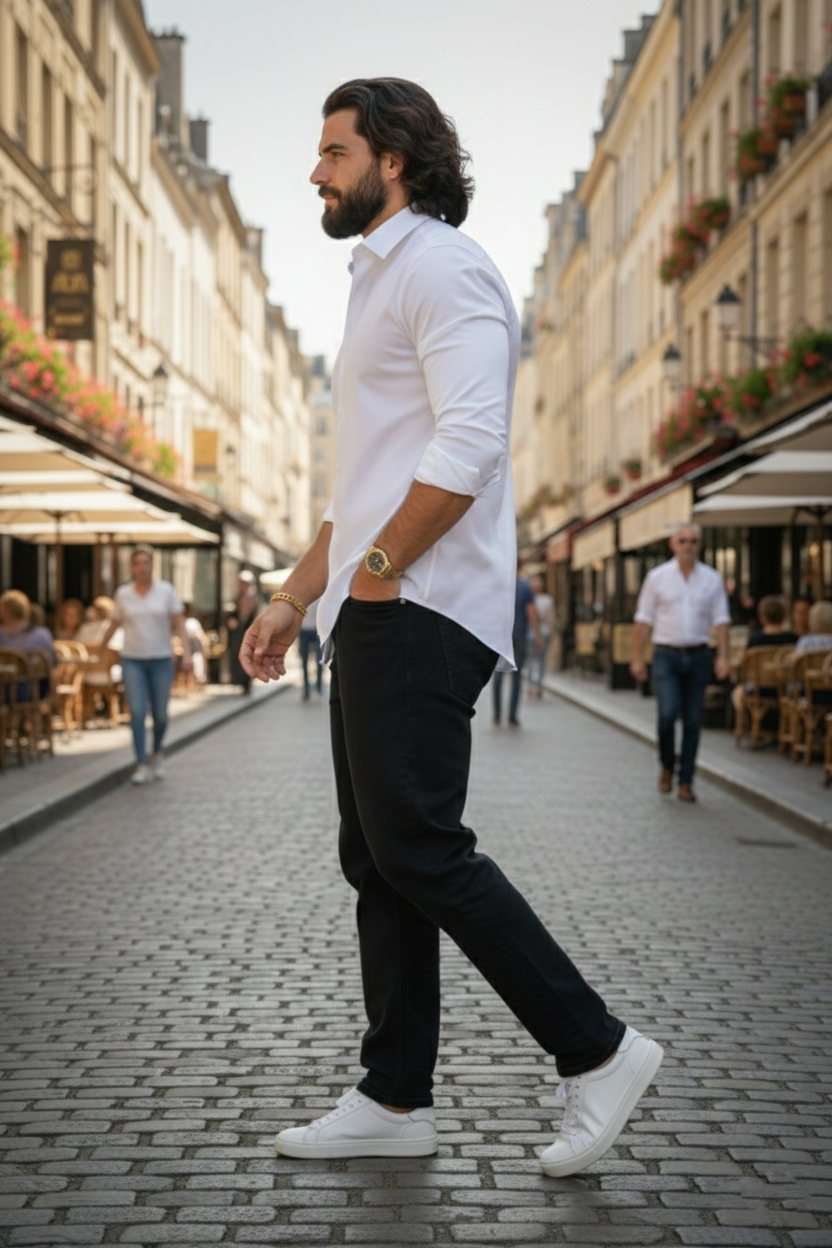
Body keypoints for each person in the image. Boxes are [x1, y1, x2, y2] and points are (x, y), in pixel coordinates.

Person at [240, 77, 663, 1178]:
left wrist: (378, 575)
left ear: (397, 158)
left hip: (420, 606)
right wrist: (295, 595)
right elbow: (363, 481)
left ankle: (598, 1050)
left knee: (418, 846)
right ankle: (394, 1098)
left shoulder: (442, 266)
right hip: (377, 602)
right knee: (378, 857)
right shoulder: (377, 280)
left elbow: (469, 444)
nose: (316, 170)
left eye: (334, 151)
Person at [630, 523, 731, 802]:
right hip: (666, 656)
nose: (688, 546)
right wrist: (637, 657)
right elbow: (643, 620)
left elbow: (722, 621)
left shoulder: (711, 579)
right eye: (683, 541)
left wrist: (724, 656)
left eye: (693, 541)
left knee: (693, 720)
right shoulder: (657, 577)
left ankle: (686, 781)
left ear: (700, 545)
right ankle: (666, 765)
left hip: (699, 655)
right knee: (667, 715)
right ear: (673, 544)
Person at [99, 546, 191, 784]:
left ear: (152, 565)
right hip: (132, 660)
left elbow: (179, 624)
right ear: (132, 567)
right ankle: (140, 762)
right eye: (137, 563)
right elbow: (113, 624)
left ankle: (157, 752)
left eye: (146, 563)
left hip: (161, 659)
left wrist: (187, 653)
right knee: (137, 712)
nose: (142, 567)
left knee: (160, 715)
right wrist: (101, 650)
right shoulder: (123, 594)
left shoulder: (166, 591)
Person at [731, 595, 798, 727]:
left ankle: (748, 726)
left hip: (758, 688)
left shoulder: (755, 639)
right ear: (784, 616)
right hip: (786, 688)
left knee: (736, 692)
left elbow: (744, 665)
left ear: (762, 618)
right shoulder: (792, 639)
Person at [492, 564, 541, 725]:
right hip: (519, 636)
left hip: (500, 638)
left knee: (498, 676)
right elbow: (531, 612)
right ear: (519, 568)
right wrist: (537, 635)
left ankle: (497, 714)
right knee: (517, 676)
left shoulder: (498, 586)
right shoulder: (525, 587)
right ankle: (512, 716)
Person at [0, 589, 56, 700]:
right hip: (36, 693)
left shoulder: (39, 635)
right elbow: (54, 663)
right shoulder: (42, 634)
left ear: (5, 610)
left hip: (24, 690)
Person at [226, 571, 261, 693]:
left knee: (246, 656)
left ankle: (246, 683)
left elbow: (245, 616)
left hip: (247, 632)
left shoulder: (250, 596)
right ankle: (242, 682)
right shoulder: (240, 596)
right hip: (240, 632)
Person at [527, 573, 554, 698]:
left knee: (531, 660)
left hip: (531, 632)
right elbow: (550, 619)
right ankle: (538, 686)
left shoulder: (530, 599)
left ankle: (532, 686)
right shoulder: (547, 600)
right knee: (541, 661)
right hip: (543, 632)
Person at [298, 599, 323, 699]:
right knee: (304, 661)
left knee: (319, 660)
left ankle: (319, 686)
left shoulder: (320, 594)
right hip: (304, 630)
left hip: (317, 630)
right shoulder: (302, 595)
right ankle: (306, 688)